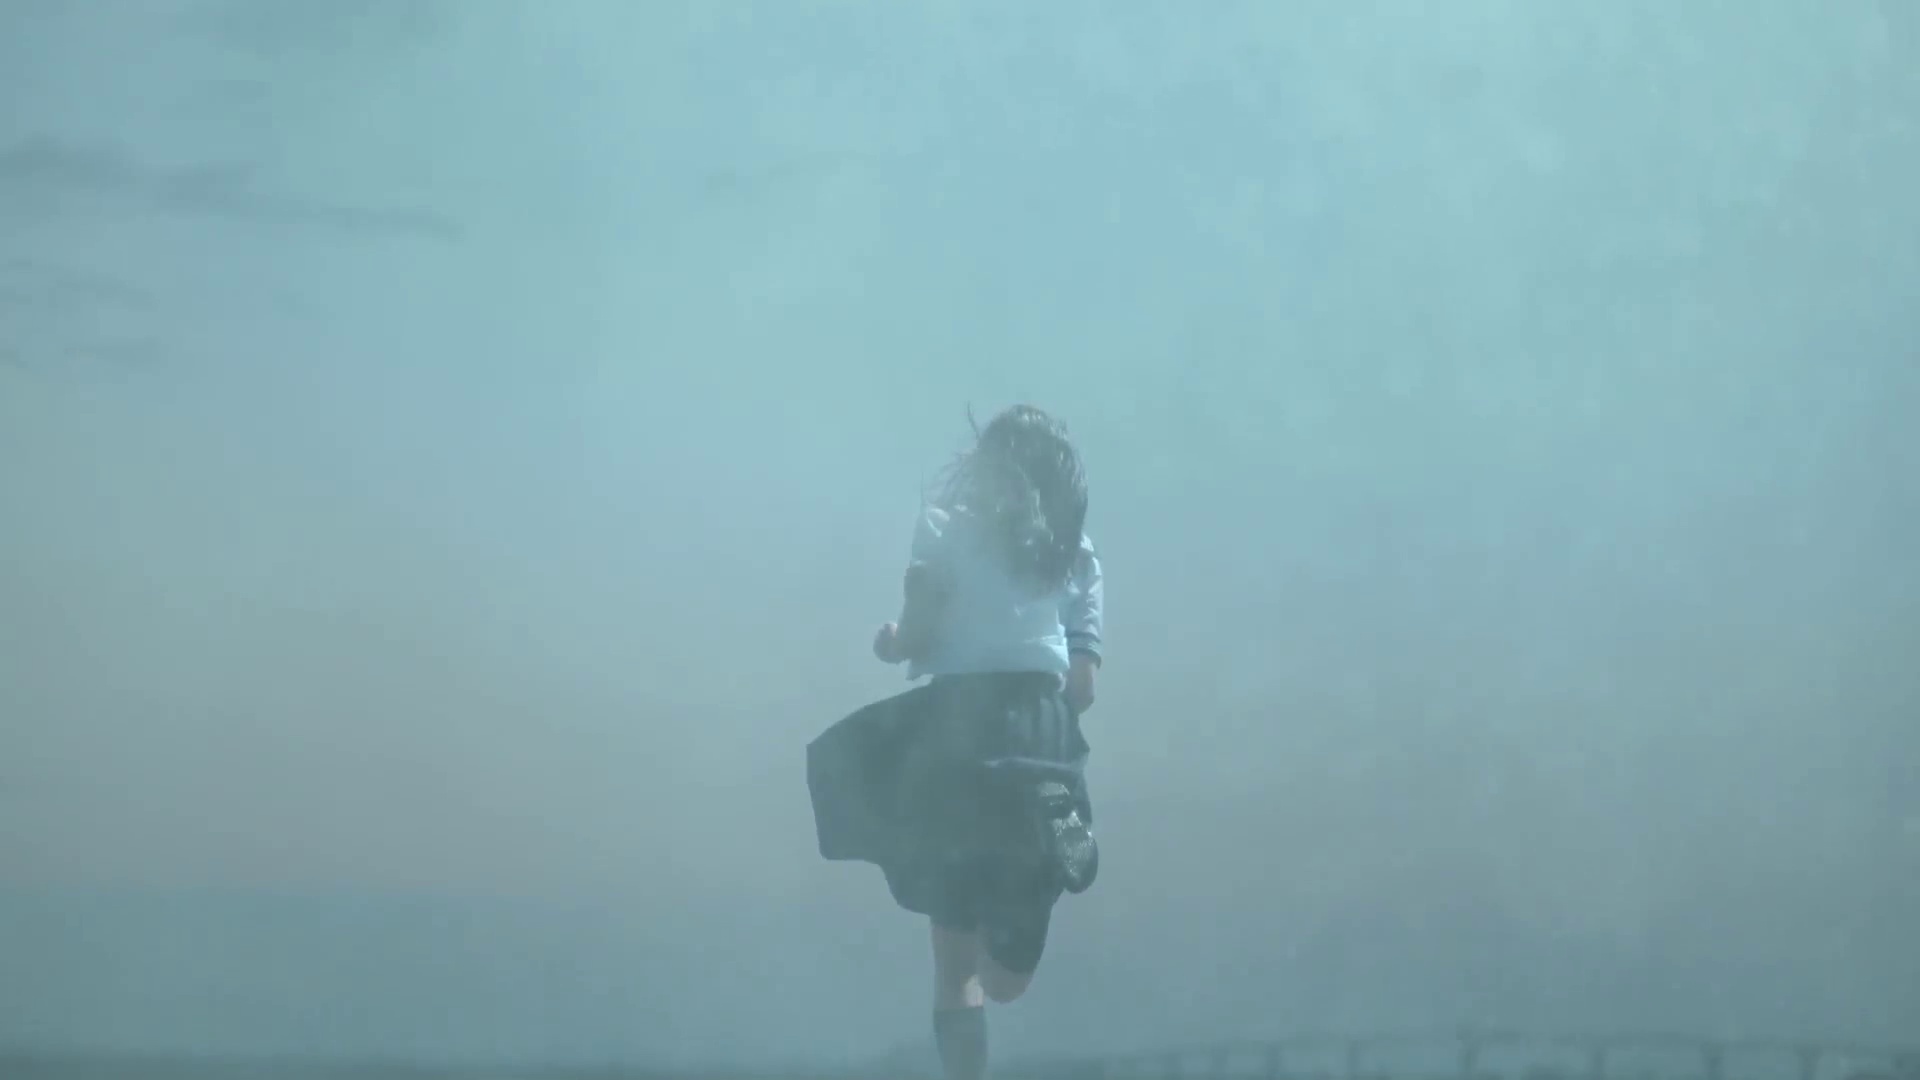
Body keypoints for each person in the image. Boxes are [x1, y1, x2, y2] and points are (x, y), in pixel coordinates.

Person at [807, 404, 1105, 1080]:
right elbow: (1083, 687)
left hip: (956, 736)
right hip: (1044, 735)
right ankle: (1046, 824)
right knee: (1008, 979)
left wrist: (892, 642)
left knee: (959, 968)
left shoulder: (944, 526)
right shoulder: (1075, 553)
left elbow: (915, 633)